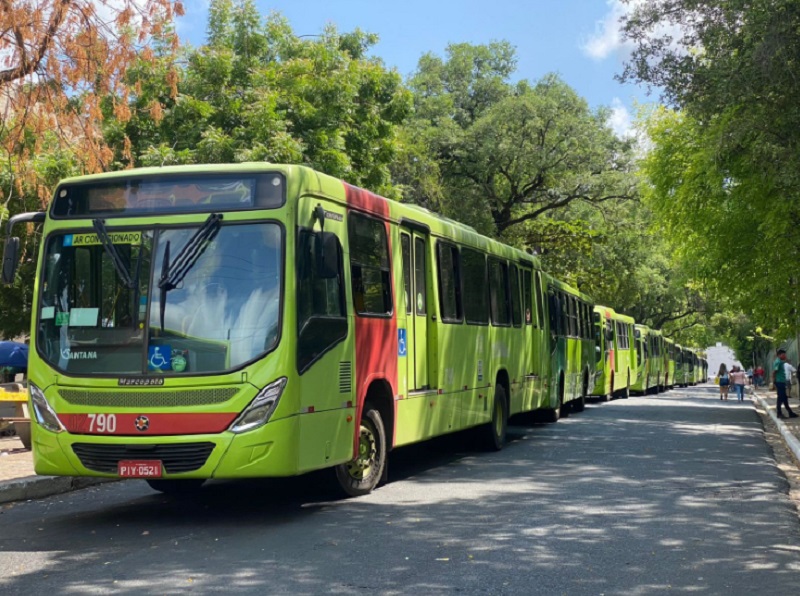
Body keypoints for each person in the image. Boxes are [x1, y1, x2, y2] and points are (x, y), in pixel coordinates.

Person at [772, 349, 798, 419]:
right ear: (780, 355)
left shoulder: (780, 361)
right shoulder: (778, 362)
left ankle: (789, 412)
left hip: (781, 381)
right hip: (779, 382)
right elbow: (774, 371)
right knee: (781, 398)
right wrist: (774, 381)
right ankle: (780, 413)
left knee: (783, 397)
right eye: (784, 354)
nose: (785, 356)